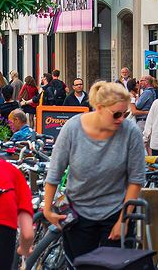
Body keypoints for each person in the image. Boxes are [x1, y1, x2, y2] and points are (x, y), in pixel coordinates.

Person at [42, 80, 147, 259]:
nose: (122, 119)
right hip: (78, 213)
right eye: (116, 115)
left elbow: (136, 180)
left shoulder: (130, 132)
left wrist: (124, 220)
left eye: (125, 113)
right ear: (99, 107)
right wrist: (47, 209)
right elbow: (55, 172)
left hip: (115, 211)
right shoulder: (73, 128)